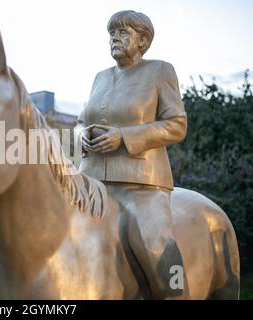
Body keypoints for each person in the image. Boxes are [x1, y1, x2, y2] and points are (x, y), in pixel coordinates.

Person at [75, 10, 188, 299]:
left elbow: (176, 125)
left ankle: (176, 293)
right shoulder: (100, 77)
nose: (115, 37)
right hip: (91, 184)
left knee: (155, 244)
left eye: (123, 32)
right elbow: (80, 121)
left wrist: (124, 137)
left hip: (141, 185)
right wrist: (81, 136)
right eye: (112, 32)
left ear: (143, 41)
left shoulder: (161, 71)